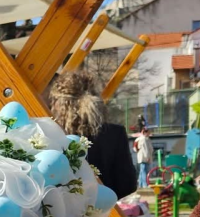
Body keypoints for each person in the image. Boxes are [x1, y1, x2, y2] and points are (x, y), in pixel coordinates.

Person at [48, 70, 137, 200]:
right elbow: (127, 185)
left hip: (62, 210)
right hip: (107, 210)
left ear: (58, 104)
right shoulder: (115, 133)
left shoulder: (53, 134)